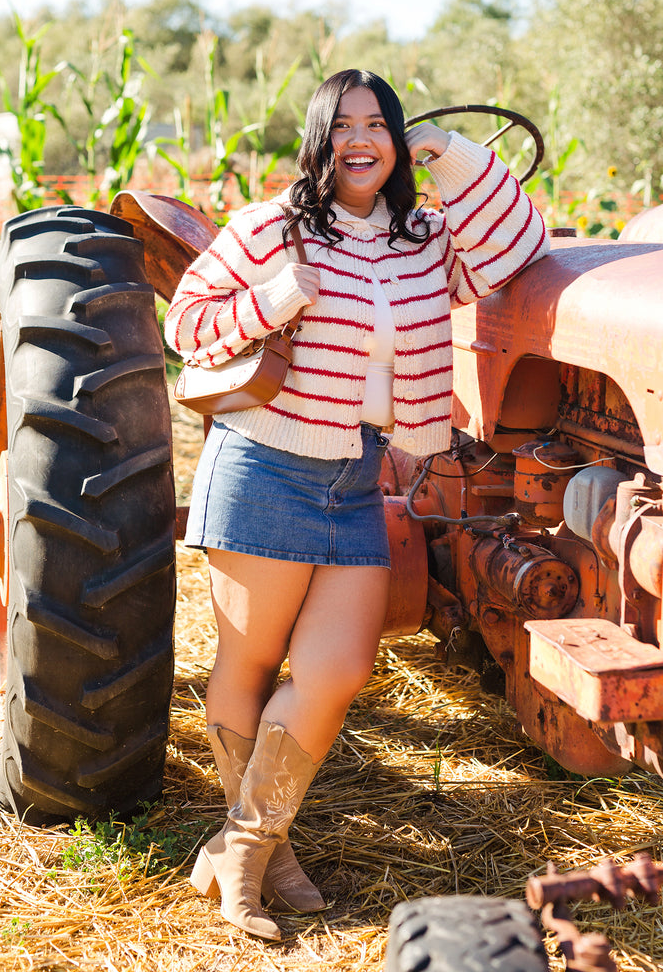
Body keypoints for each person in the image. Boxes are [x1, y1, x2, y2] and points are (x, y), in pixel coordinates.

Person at [164, 69, 548, 940]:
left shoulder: (425, 239)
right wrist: (278, 295)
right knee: (250, 668)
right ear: (320, 139)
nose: (362, 139)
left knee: (337, 672)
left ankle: (238, 845)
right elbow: (184, 323)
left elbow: (519, 248)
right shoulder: (274, 225)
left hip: (357, 481)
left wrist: (448, 153)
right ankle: (257, 858)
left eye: (380, 123)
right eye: (344, 125)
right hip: (265, 465)